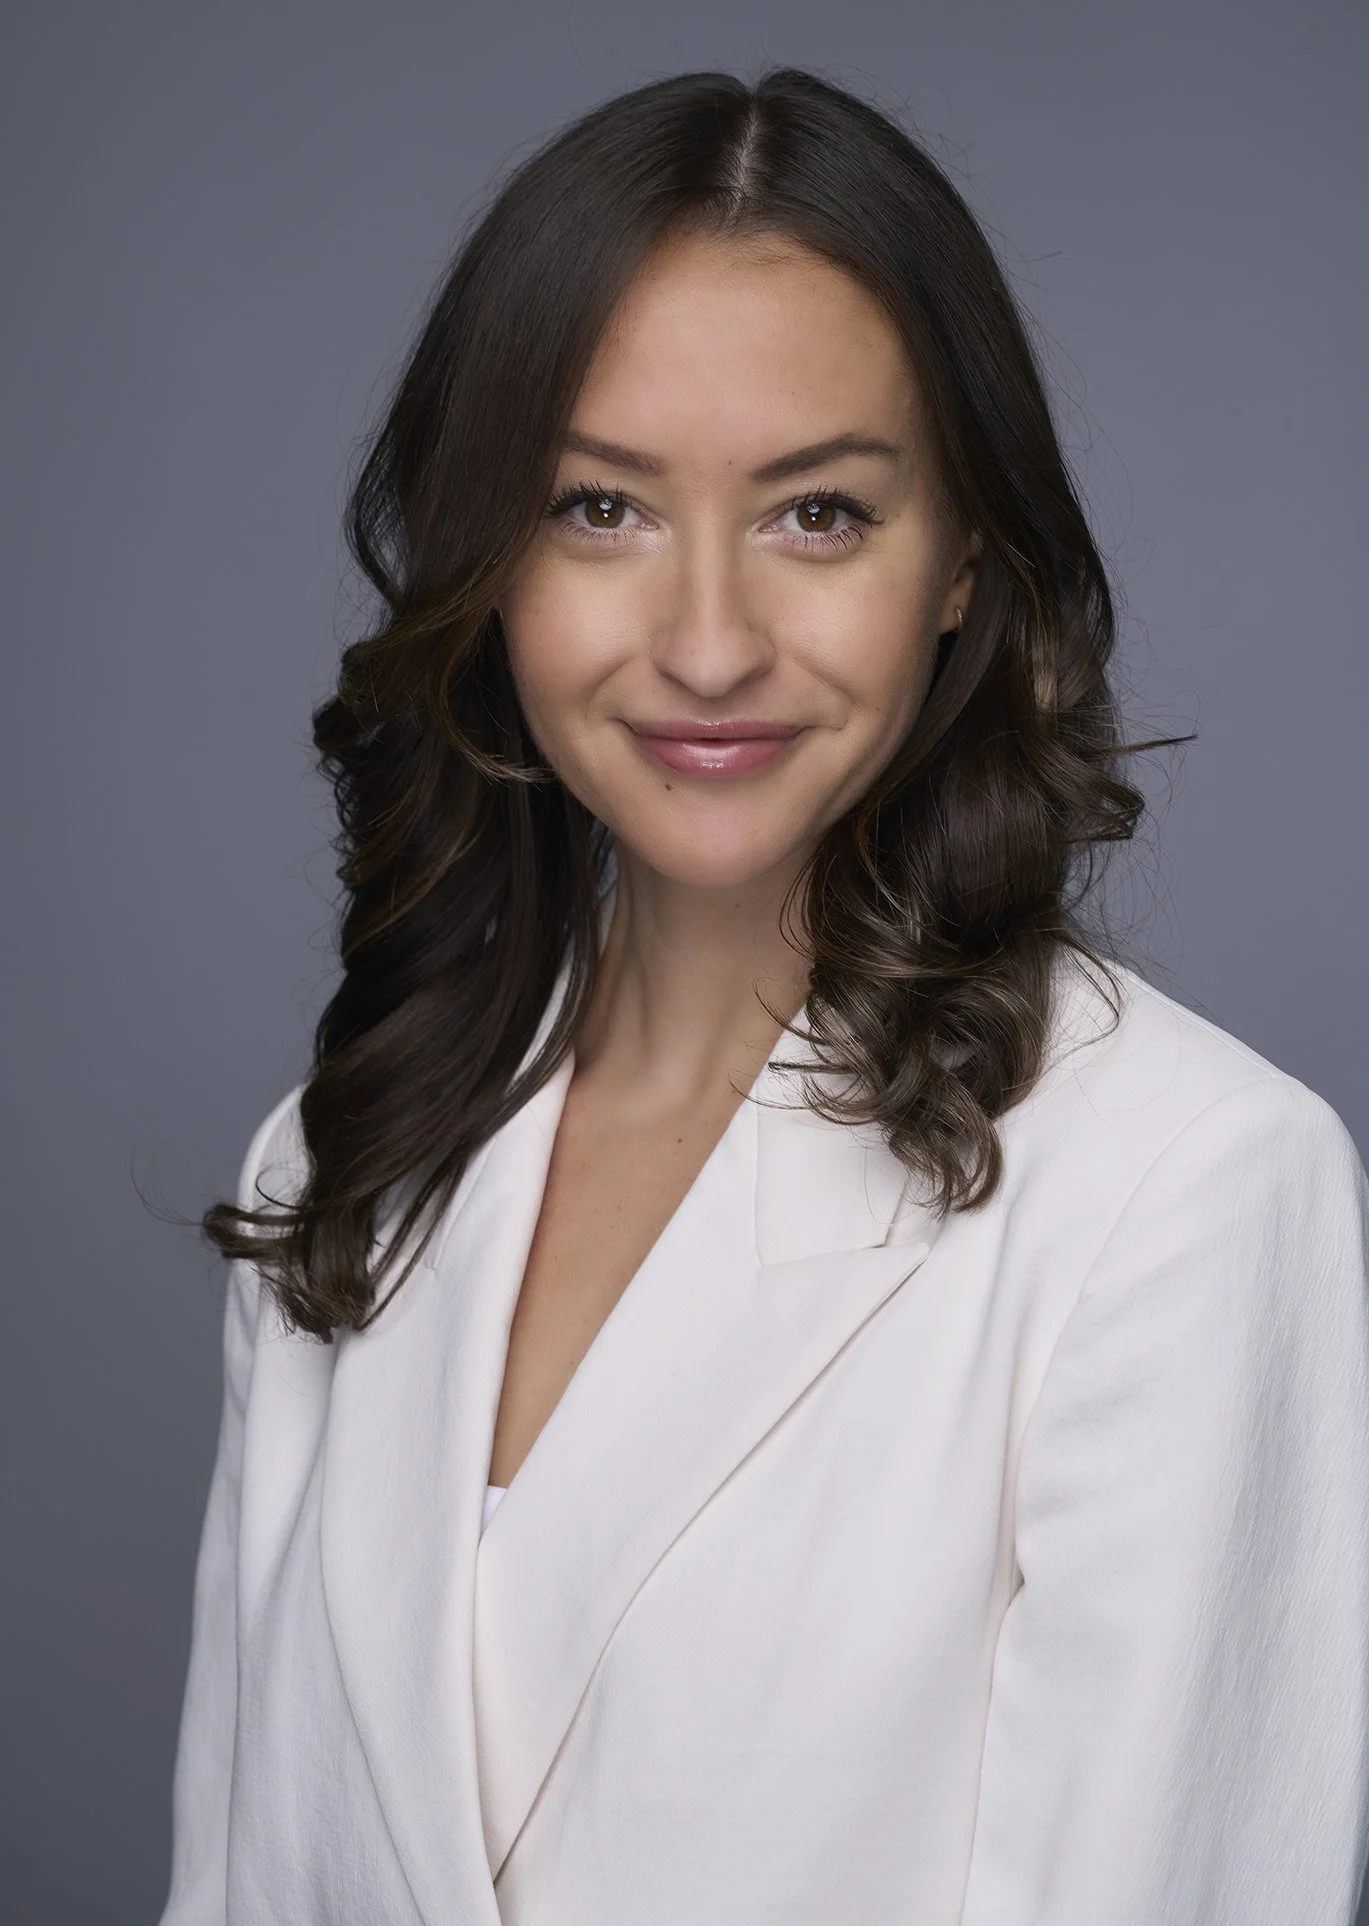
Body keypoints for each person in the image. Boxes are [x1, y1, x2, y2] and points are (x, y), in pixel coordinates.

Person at [158, 66, 1369, 1926]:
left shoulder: (1190, 1191)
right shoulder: (355, 1156)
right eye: (598, 508)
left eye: (818, 514)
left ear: (965, 555)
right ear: (487, 563)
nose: (709, 642)